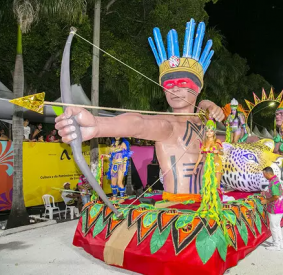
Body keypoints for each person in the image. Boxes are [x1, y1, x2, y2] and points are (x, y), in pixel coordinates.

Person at [55, 18, 224, 199]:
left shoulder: (204, 123)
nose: (174, 89)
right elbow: (139, 123)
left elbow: (210, 116)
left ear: (197, 88)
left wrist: (209, 105)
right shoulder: (169, 126)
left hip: (208, 205)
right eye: (168, 84)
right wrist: (97, 125)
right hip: (179, 210)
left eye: (182, 83)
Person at [194, 119, 224, 222]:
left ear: (214, 131)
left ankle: (218, 206)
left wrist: (217, 151)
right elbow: (200, 156)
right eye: (207, 131)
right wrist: (195, 167)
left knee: (216, 185)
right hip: (207, 166)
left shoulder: (217, 141)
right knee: (207, 185)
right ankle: (209, 205)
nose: (209, 133)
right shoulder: (203, 142)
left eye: (211, 130)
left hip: (216, 164)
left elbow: (222, 153)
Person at [261, 166, 283, 251]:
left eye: (264, 174)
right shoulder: (275, 180)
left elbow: (276, 196)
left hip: (276, 208)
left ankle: (276, 245)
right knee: (277, 226)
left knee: (273, 227)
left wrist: (267, 200)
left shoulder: (273, 182)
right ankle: (280, 242)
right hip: (280, 206)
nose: (264, 176)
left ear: (268, 173)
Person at [106, 137, 132, 203]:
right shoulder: (113, 143)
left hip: (121, 165)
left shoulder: (123, 143)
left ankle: (122, 197)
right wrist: (106, 155)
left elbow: (126, 156)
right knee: (113, 183)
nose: (116, 136)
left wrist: (125, 166)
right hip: (113, 165)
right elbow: (111, 155)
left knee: (119, 182)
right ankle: (114, 197)